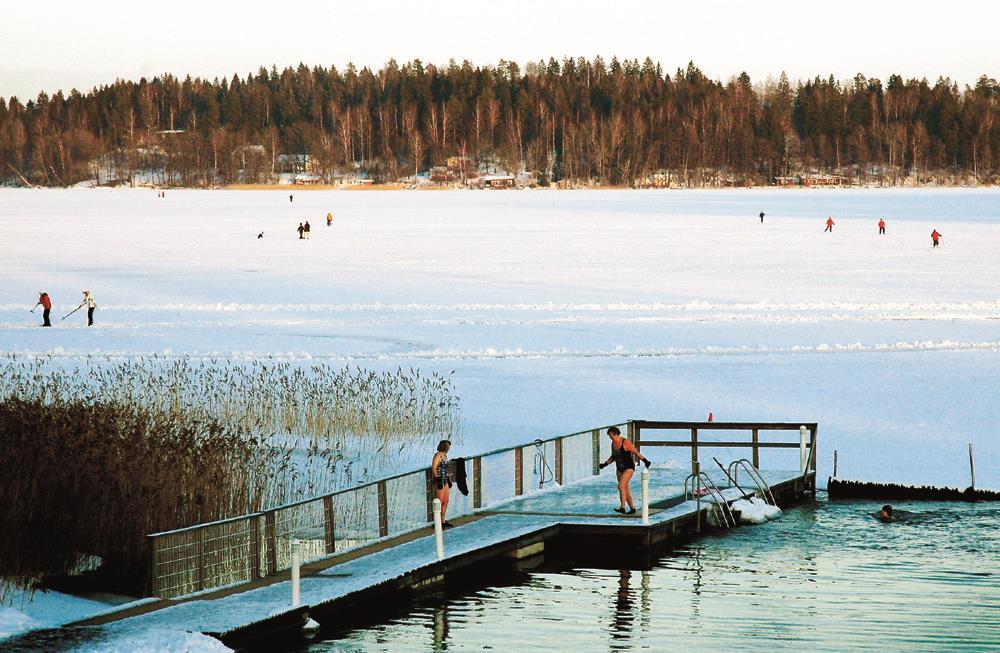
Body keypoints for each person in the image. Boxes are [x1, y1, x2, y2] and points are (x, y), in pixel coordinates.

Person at [598, 426, 651, 515]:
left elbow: (636, 452)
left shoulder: (625, 442)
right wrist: (605, 464)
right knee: (625, 489)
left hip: (628, 467)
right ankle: (632, 508)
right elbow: (613, 457)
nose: (610, 437)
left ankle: (622, 508)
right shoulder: (613, 444)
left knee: (620, 486)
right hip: (619, 468)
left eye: (611, 435)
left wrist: (645, 461)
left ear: (616, 434)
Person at [432, 440, 454, 528]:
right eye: (448, 446)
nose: (449, 448)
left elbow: (445, 468)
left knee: (446, 501)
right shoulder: (438, 455)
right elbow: (434, 467)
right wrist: (438, 479)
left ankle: (443, 521)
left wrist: (448, 479)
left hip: (445, 480)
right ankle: (437, 522)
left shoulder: (445, 456)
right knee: (439, 502)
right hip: (440, 480)